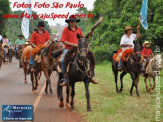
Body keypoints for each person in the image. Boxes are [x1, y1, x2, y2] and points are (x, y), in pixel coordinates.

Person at [60, 15, 98, 86]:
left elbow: (82, 38)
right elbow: (63, 40)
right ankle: (65, 78)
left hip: (79, 48)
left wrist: (90, 35)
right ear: (69, 22)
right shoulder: (66, 29)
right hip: (68, 48)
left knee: (91, 57)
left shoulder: (78, 29)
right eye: (71, 21)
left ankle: (91, 75)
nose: (73, 22)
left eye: (74, 21)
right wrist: (73, 44)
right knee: (62, 61)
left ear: (76, 22)